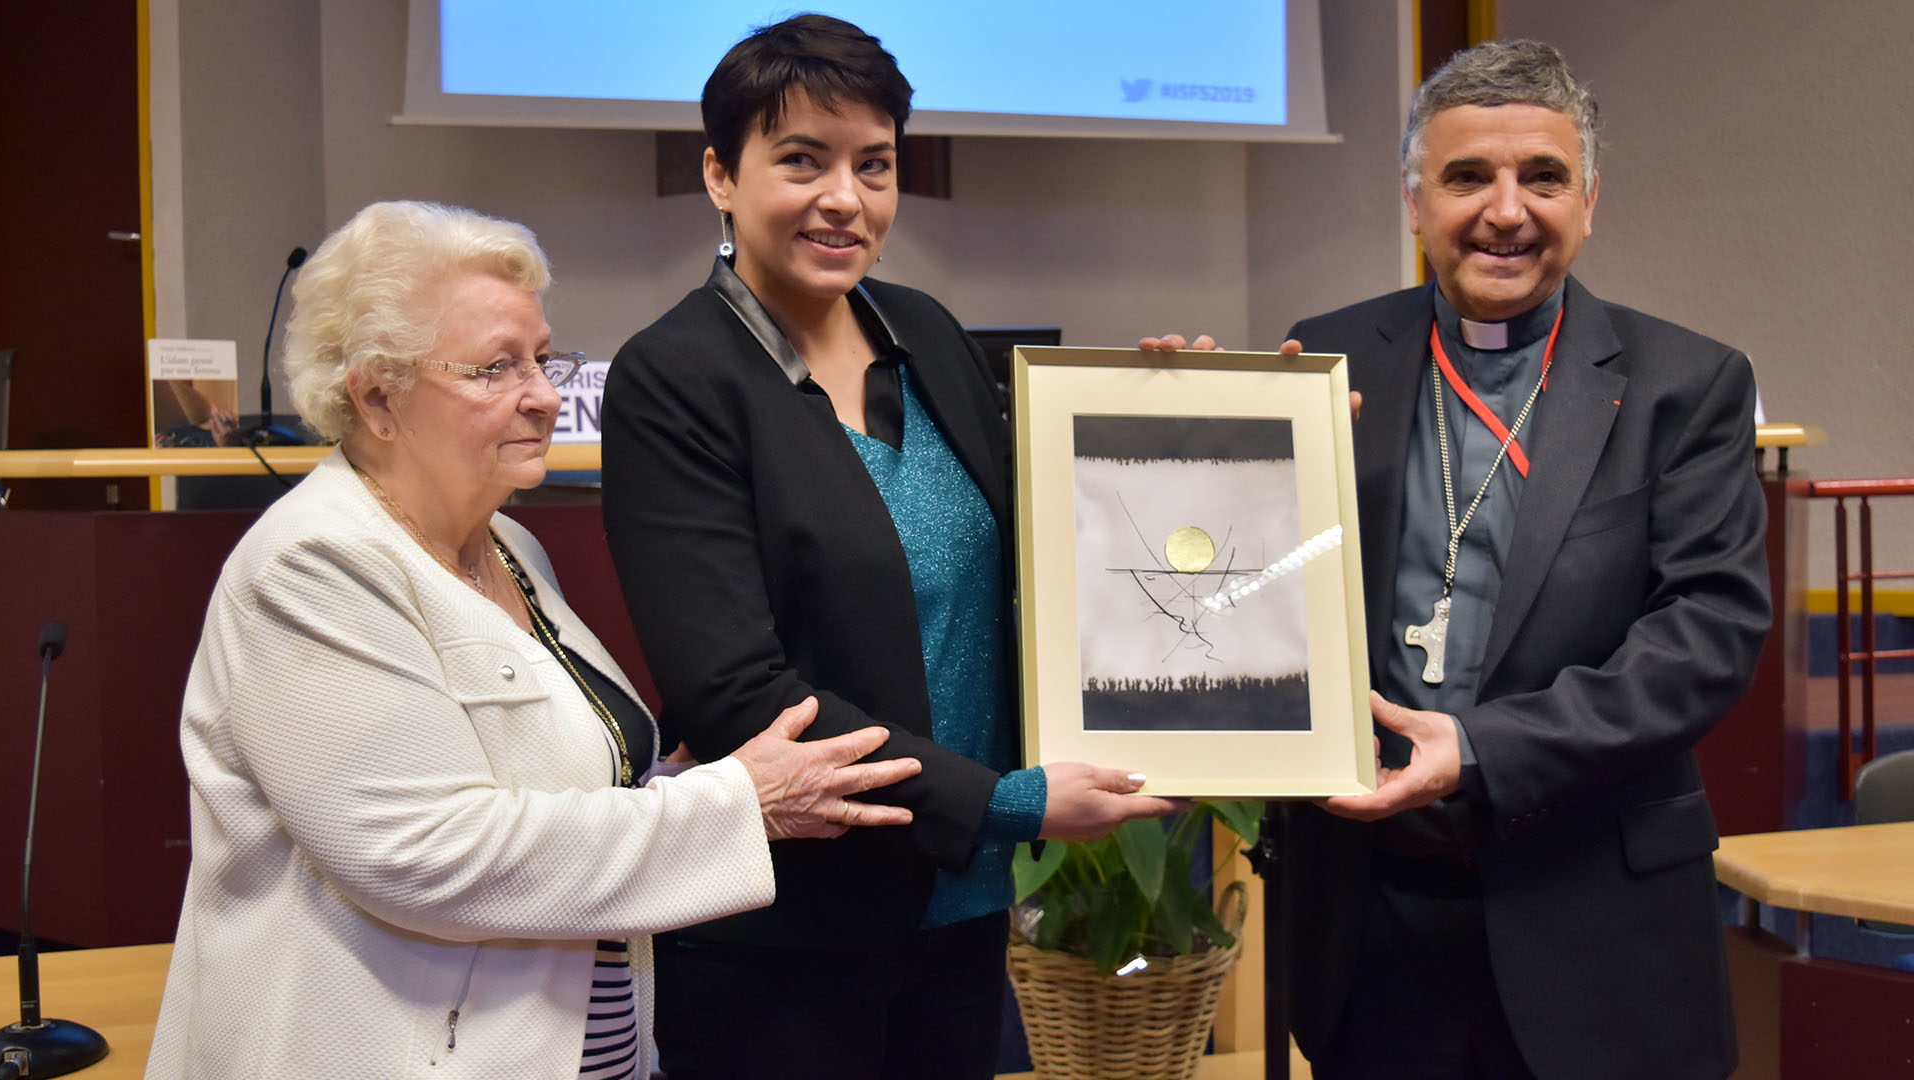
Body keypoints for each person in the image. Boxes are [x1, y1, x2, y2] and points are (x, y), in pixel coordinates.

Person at [145, 200, 926, 1080]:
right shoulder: (313, 567)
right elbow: (430, 854)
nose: (546, 396)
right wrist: (740, 804)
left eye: (546, 361)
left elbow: (543, 782)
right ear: (376, 395)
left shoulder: (510, 547)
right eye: (495, 369)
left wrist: (688, 777)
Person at [1157, 38, 1768, 1080]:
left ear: (1589, 200)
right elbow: (1244, 595)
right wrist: (1191, 457)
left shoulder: (1686, 384)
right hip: (1374, 922)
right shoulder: (1330, 358)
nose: (1506, 210)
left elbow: (1706, 637)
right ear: (1413, 200)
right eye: (1467, 177)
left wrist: (1480, 748)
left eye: (1543, 176)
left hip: (1596, 920)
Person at [601, 15, 1181, 1080]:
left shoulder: (928, 334)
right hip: (782, 936)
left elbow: (1063, 556)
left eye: (875, 164)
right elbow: (737, 692)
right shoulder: (673, 377)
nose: (845, 199)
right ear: (720, 177)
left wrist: (1195, 426)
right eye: (801, 161)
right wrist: (1005, 803)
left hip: (957, 914)